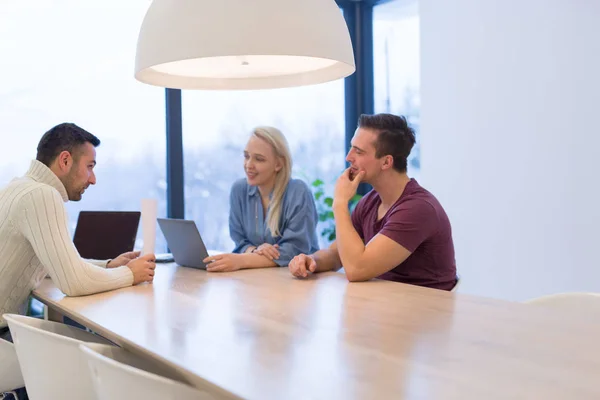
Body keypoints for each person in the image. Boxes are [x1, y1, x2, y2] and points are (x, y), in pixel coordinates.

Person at [0, 123, 156, 397]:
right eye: (90, 166)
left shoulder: (19, 187)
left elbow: (54, 262)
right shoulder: (43, 195)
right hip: (3, 340)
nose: (93, 179)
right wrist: (132, 274)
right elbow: (73, 281)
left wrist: (108, 266)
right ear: (65, 160)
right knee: (108, 357)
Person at [288, 114, 457, 290]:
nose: (348, 157)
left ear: (386, 162)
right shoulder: (370, 202)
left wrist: (340, 203)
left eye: (358, 151)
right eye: (351, 148)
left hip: (426, 311)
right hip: (386, 304)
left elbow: (356, 269)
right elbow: (336, 254)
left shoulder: (418, 209)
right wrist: (311, 261)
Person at [203, 126, 319, 272]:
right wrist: (256, 251)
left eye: (259, 159)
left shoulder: (298, 192)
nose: (248, 165)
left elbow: (293, 251)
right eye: (246, 156)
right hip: (258, 279)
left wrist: (241, 260)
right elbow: (239, 241)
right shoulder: (239, 190)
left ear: (278, 164)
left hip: (298, 280)